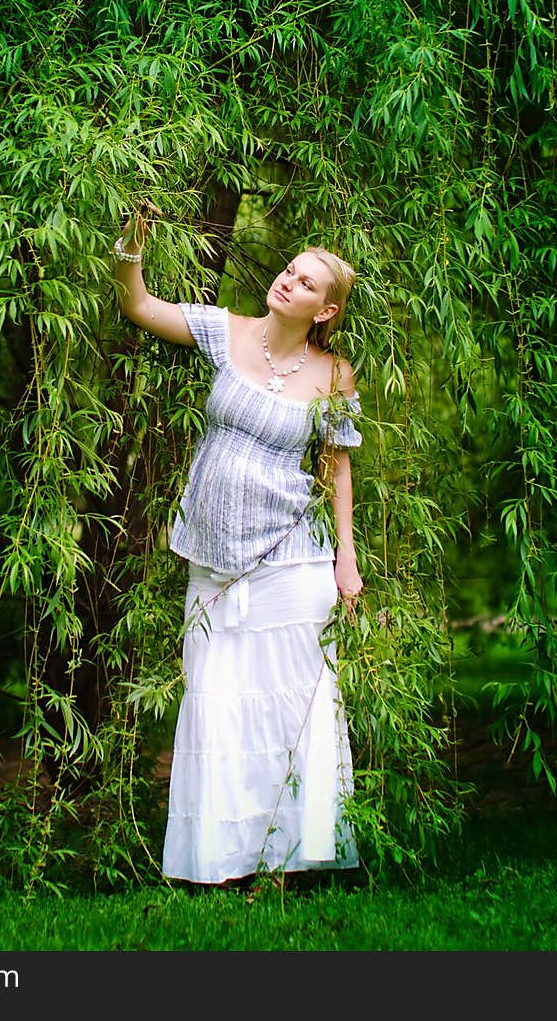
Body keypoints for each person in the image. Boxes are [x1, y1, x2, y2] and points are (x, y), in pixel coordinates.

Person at [113, 210, 363, 887]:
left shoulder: (333, 374)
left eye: (305, 281)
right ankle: (220, 859)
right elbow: (137, 303)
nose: (287, 282)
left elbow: (337, 464)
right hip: (216, 554)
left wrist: (347, 555)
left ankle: (301, 854)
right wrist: (130, 242)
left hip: (293, 555)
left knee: (296, 700)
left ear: (326, 307)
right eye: (288, 270)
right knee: (219, 697)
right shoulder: (227, 332)